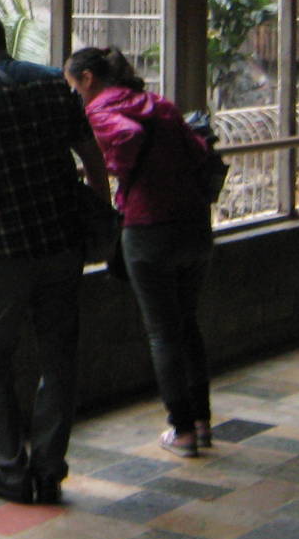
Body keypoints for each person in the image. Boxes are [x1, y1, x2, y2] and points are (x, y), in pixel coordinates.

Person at [0, 6, 107, 505]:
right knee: (58, 356)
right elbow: (91, 155)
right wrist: (99, 208)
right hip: (60, 242)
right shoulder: (53, 84)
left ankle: (9, 471)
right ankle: (50, 469)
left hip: (0, 249)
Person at [64, 45, 214, 458]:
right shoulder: (159, 104)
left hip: (149, 229)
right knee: (188, 325)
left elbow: (126, 137)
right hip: (194, 226)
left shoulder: (100, 110)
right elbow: (198, 150)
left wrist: (116, 167)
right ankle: (201, 422)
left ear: (88, 80)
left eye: (73, 87)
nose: (75, 96)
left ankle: (181, 430)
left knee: (162, 332)